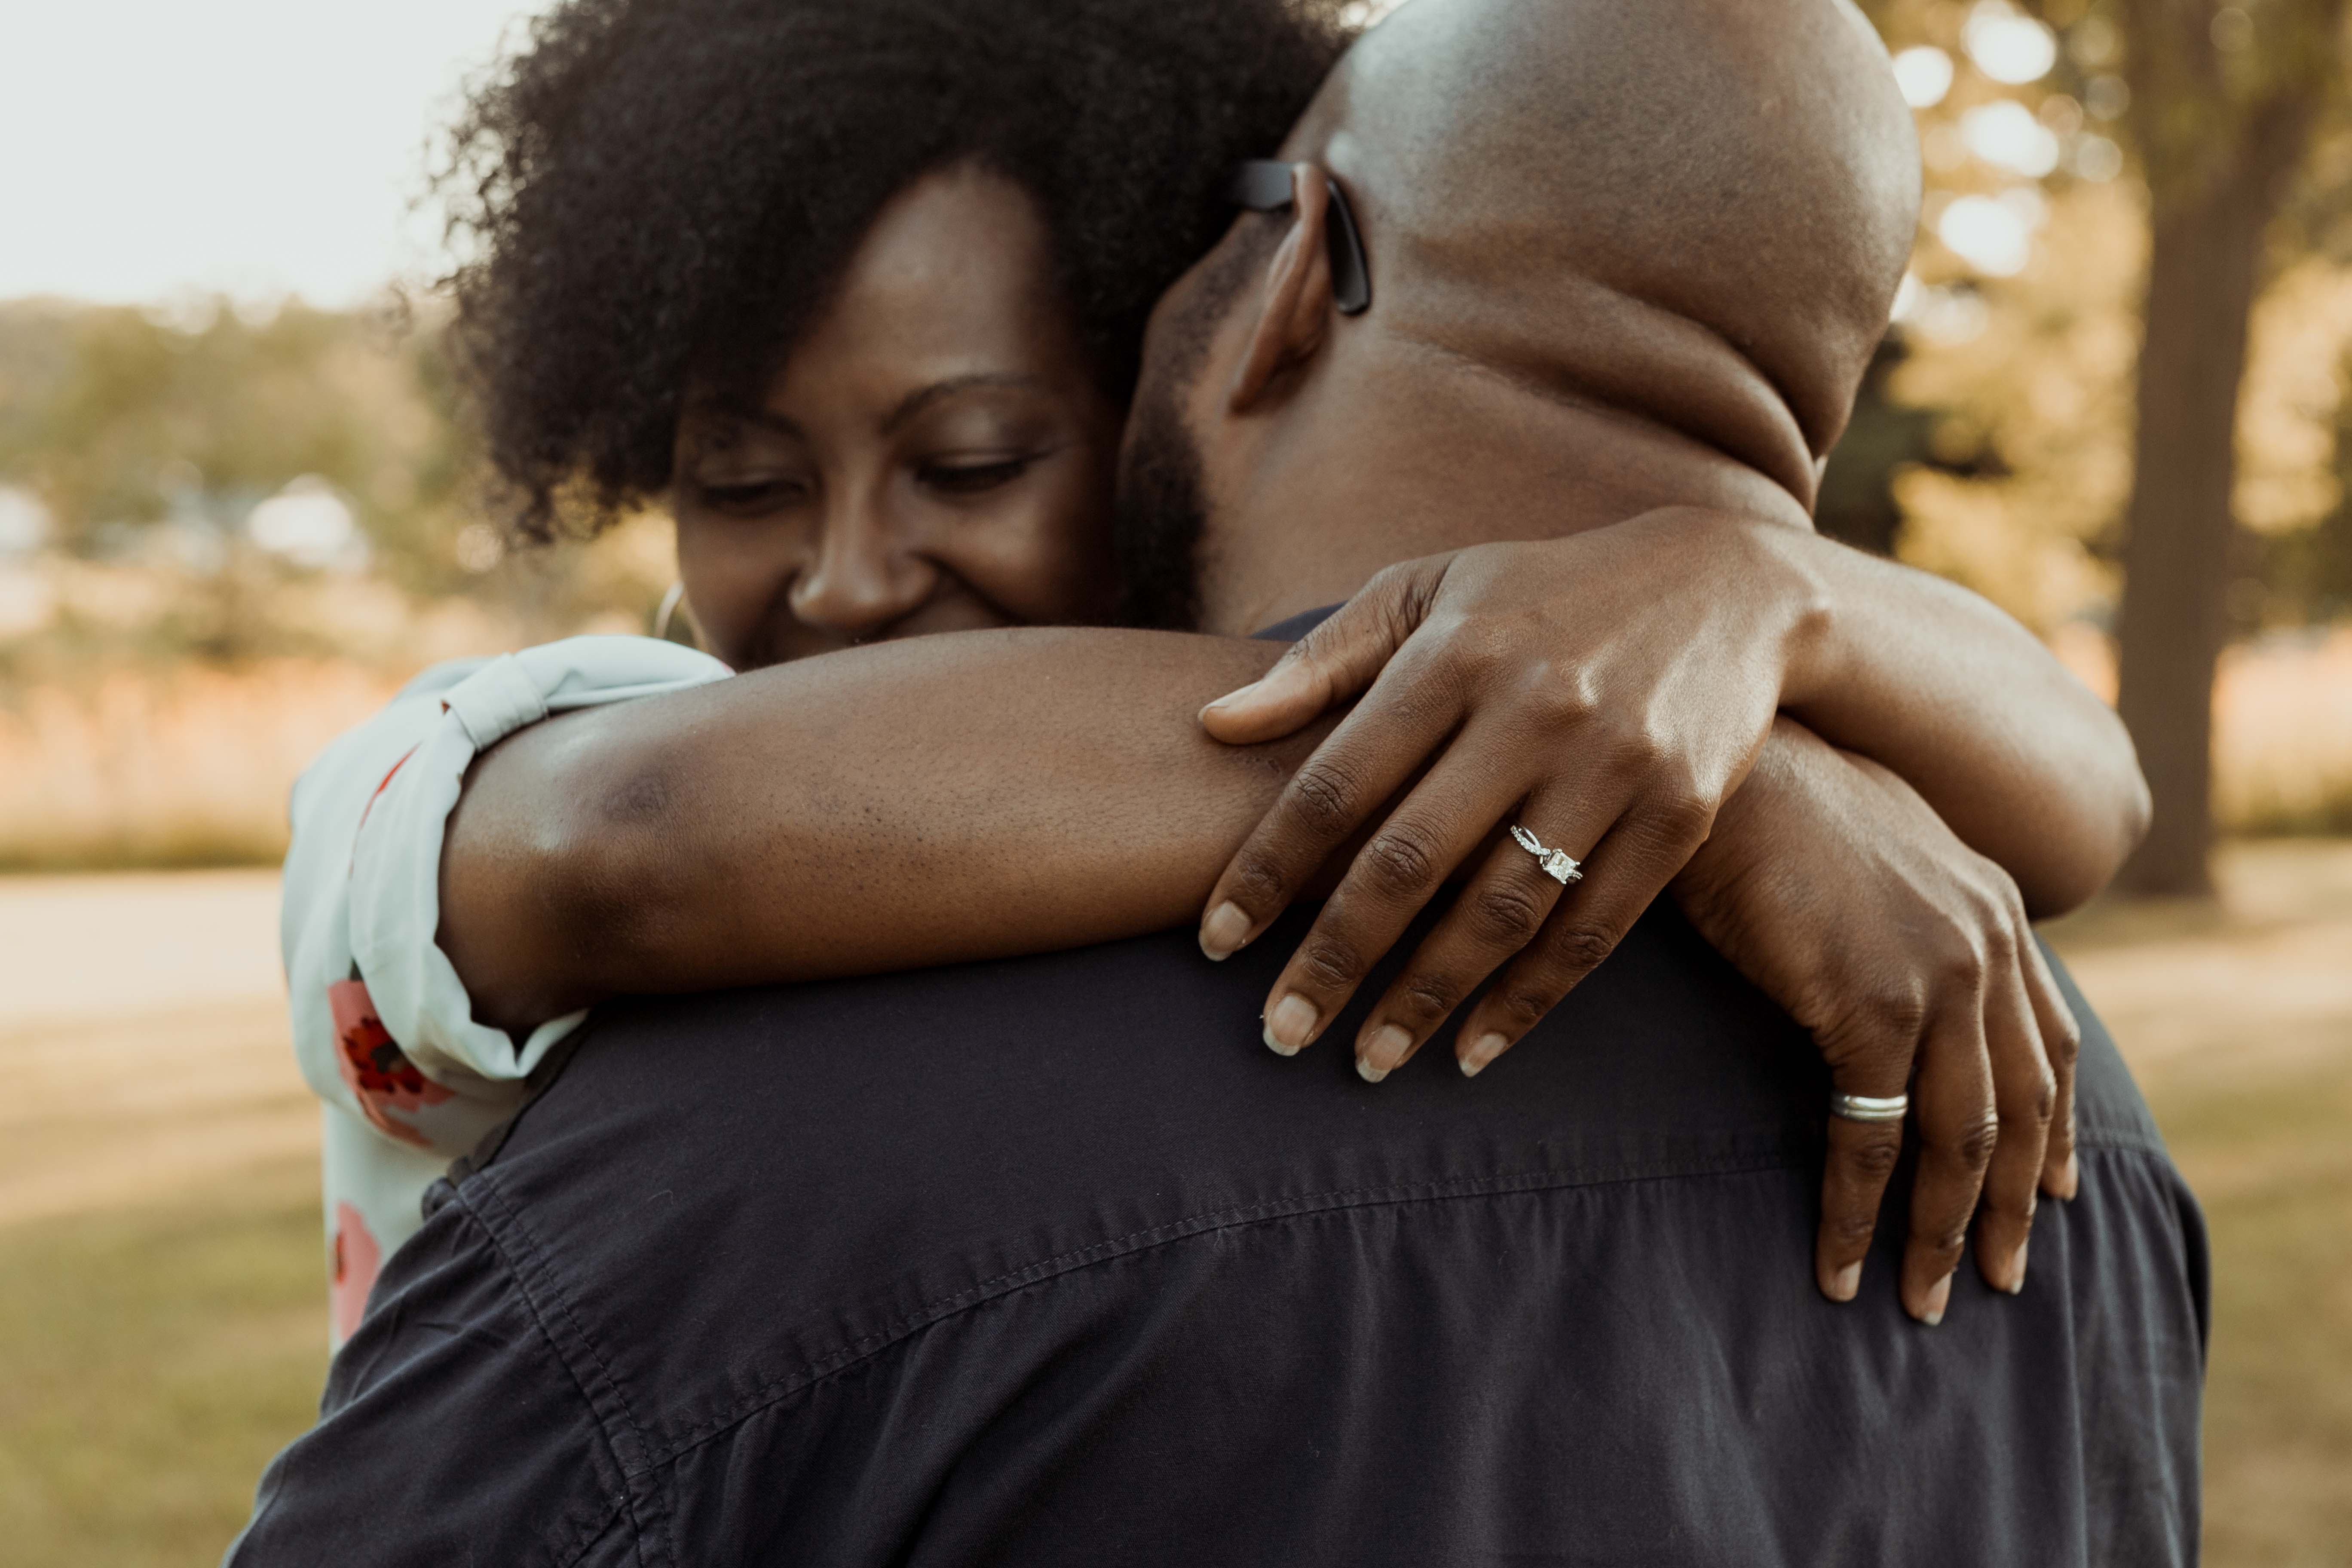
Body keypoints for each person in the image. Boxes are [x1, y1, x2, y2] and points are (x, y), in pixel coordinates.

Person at [230, 0, 2204, 1561]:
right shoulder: (2066, 1110)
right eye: (741, 483)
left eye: (981, 458)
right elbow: (623, 846)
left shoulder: (793, 1167)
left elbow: (2095, 787)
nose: (841, 576)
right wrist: (1708, 761)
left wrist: (1740, 620)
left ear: (1260, 293)